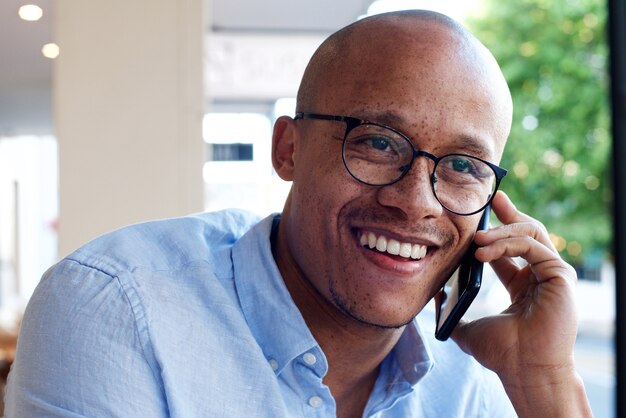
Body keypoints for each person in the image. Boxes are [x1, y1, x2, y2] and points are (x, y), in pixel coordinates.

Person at [5, 10, 592, 418]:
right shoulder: (118, 308)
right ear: (288, 149)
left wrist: (544, 381)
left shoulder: (472, 375)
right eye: (379, 142)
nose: (416, 200)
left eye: (463, 165)